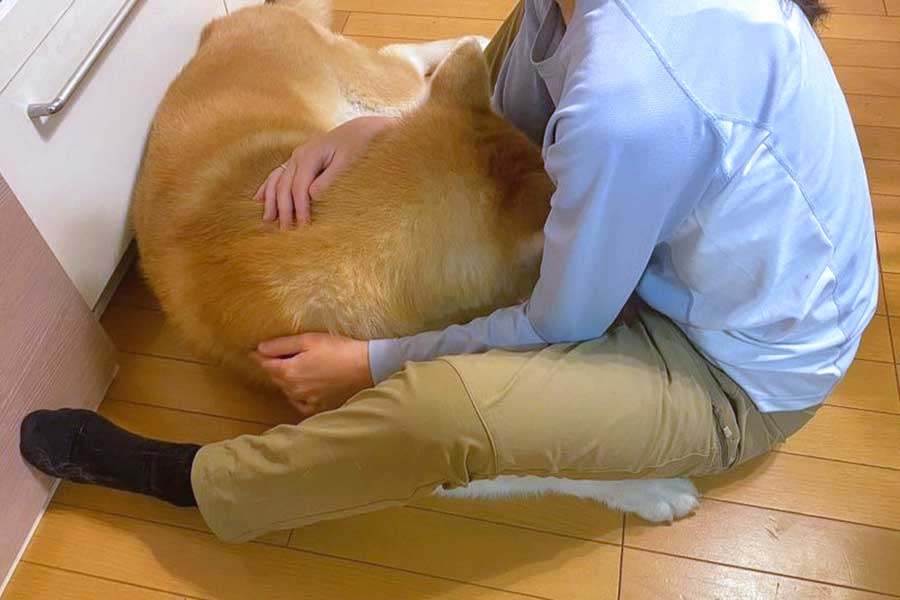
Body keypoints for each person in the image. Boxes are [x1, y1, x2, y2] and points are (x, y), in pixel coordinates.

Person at [21, 0, 877, 543]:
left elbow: (560, 325)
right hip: (682, 262)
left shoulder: (632, 98)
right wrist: (369, 132)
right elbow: (480, 102)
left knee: (439, 413)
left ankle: (193, 484)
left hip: (741, 373)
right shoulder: (572, 15)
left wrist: (371, 363)